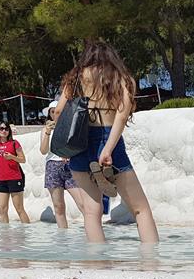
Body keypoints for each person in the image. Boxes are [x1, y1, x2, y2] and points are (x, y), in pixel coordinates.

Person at [56, 41, 159, 243]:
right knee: (140, 209)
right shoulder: (123, 79)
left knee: (91, 212)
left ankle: (99, 264)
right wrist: (108, 149)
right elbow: (121, 116)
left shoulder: (75, 78)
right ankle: (151, 264)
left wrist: (65, 144)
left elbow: (59, 111)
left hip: (80, 141)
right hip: (107, 137)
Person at [39, 100, 85, 229]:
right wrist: (47, 132)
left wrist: (69, 155)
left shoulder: (71, 126)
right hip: (53, 166)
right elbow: (43, 151)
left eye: (57, 111)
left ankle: (93, 230)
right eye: (52, 112)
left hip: (70, 165)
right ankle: (62, 238)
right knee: (58, 206)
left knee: (81, 203)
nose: (55, 114)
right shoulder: (46, 130)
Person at [0, 124, 30, 224]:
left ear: (9, 131)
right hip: (1, 180)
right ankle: (5, 235)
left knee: (19, 208)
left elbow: (23, 160)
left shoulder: (14, 143)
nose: (3, 130)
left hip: (14, 178)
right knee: (2, 210)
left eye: (6, 129)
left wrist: (12, 157)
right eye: (1, 128)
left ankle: (27, 233)